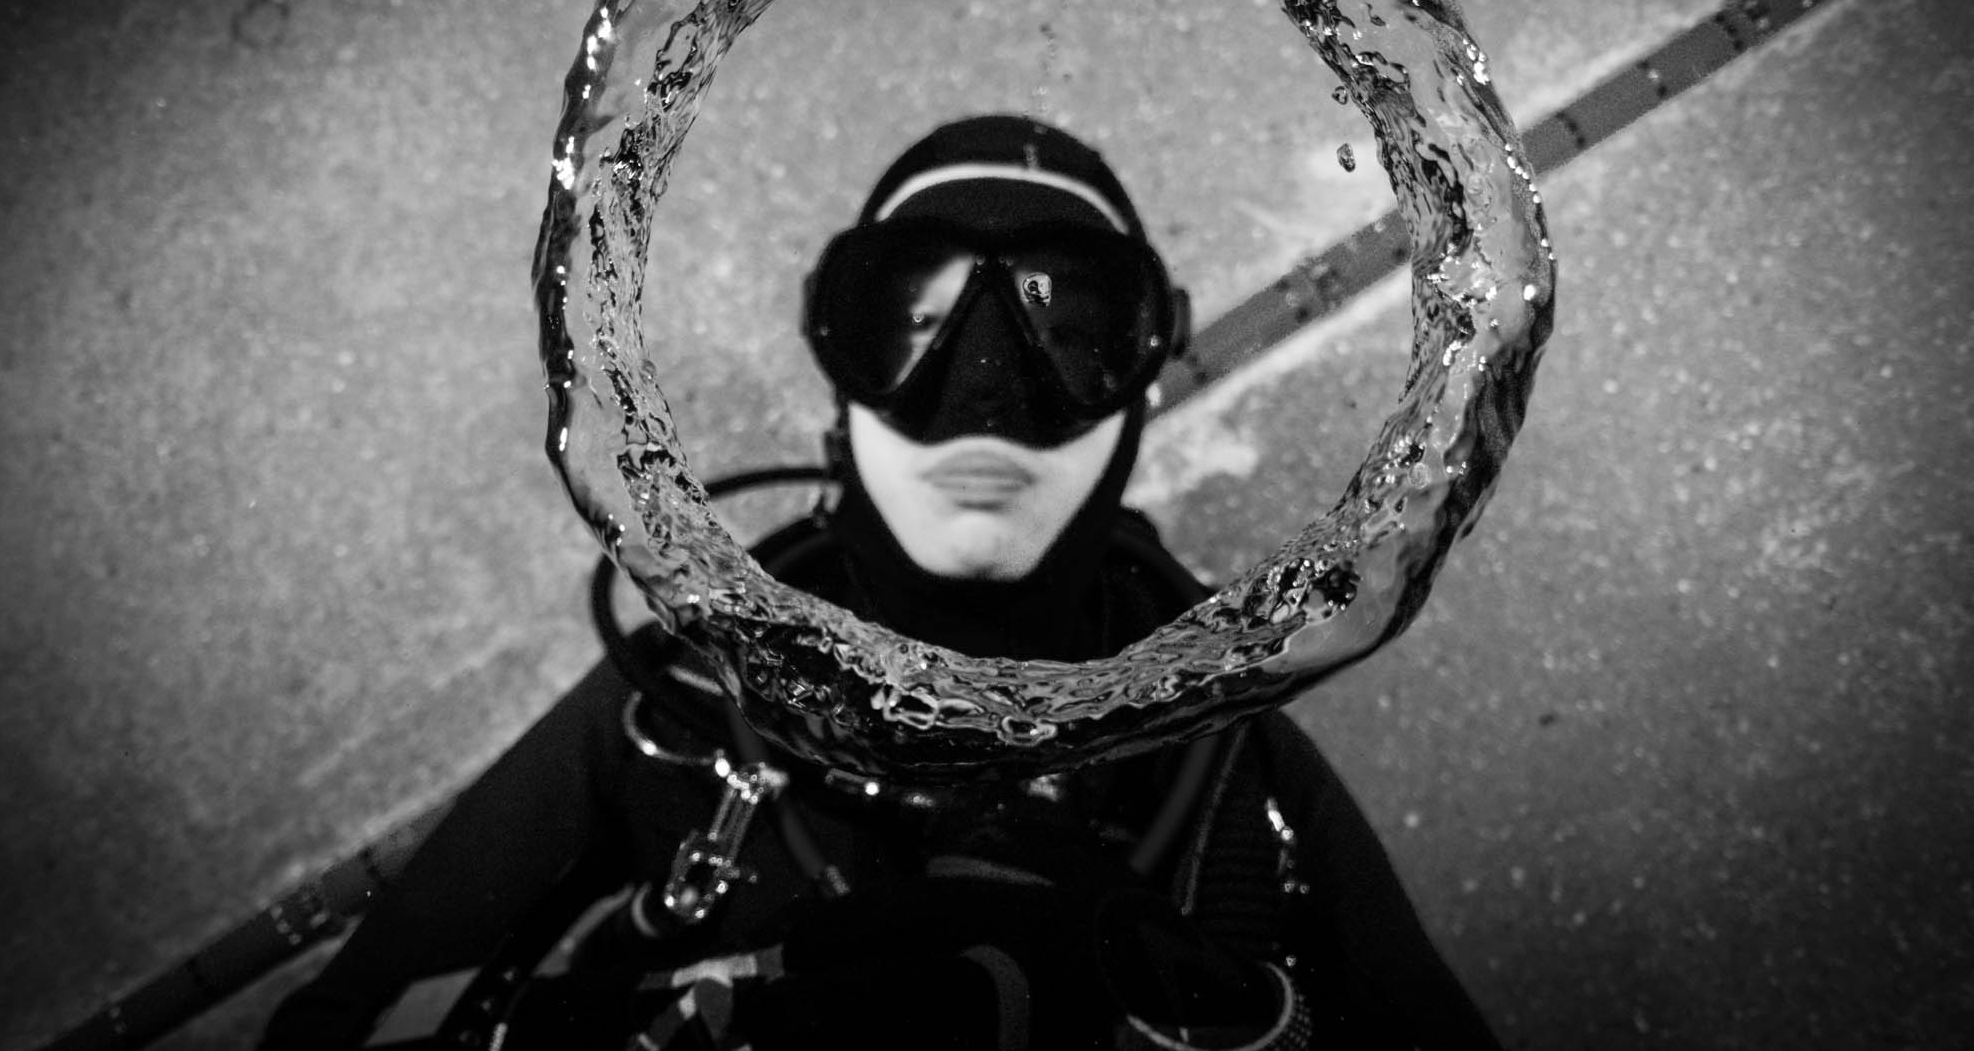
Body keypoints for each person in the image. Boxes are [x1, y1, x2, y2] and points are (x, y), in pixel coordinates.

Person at [261, 116, 1502, 1050]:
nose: (987, 392)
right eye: (908, 319)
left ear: (1141, 366)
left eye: (1067, 330)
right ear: (836, 362)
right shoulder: (680, 709)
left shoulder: (1234, 777)